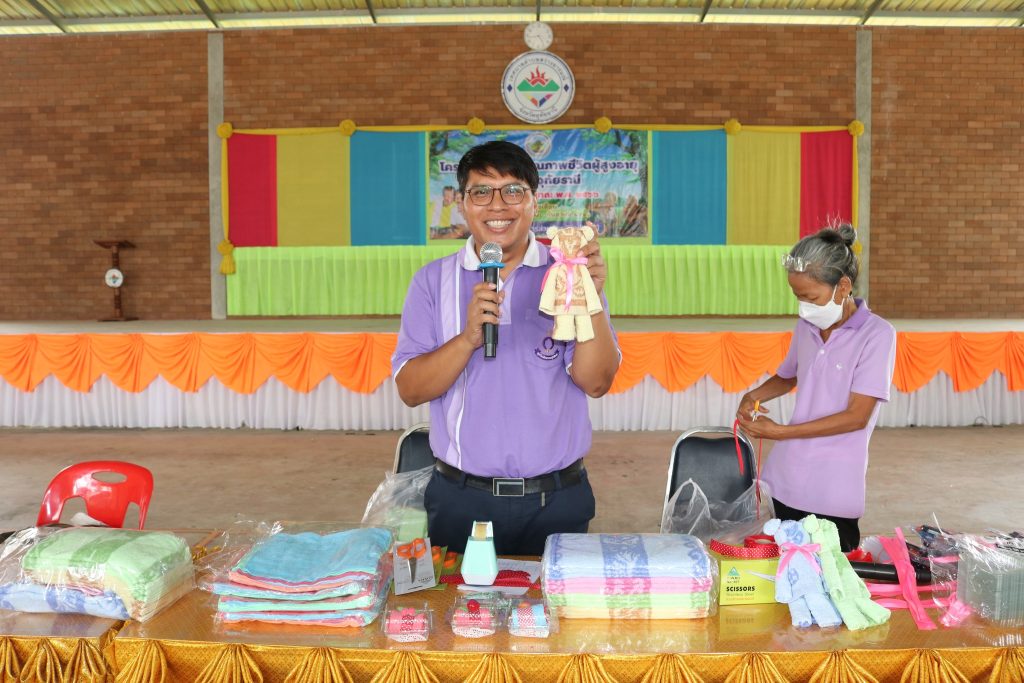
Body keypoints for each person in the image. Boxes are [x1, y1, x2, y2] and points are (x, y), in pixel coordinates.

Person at [392, 141, 620, 555]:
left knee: (550, 600)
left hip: (557, 498)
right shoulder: (432, 281)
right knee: (460, 600)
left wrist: (589, 299)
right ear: (463, 204)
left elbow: (597, 381)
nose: (498, 205)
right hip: (461, 499)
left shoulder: (568, 272)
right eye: (481, 192)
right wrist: (467, 339)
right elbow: (410, 389)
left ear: (534, 202)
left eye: (513, 191)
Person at [735, 225, 896, 552]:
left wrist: (780, 432)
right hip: (786, 479)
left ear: (843, 287)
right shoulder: (807, 325)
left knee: (829, 570)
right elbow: (789, 375)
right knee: (779, 567)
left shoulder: (877, 335)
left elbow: (856, 417)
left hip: (833, 489)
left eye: (810, 298)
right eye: (797, 297)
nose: (803, 307)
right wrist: (753, 396)